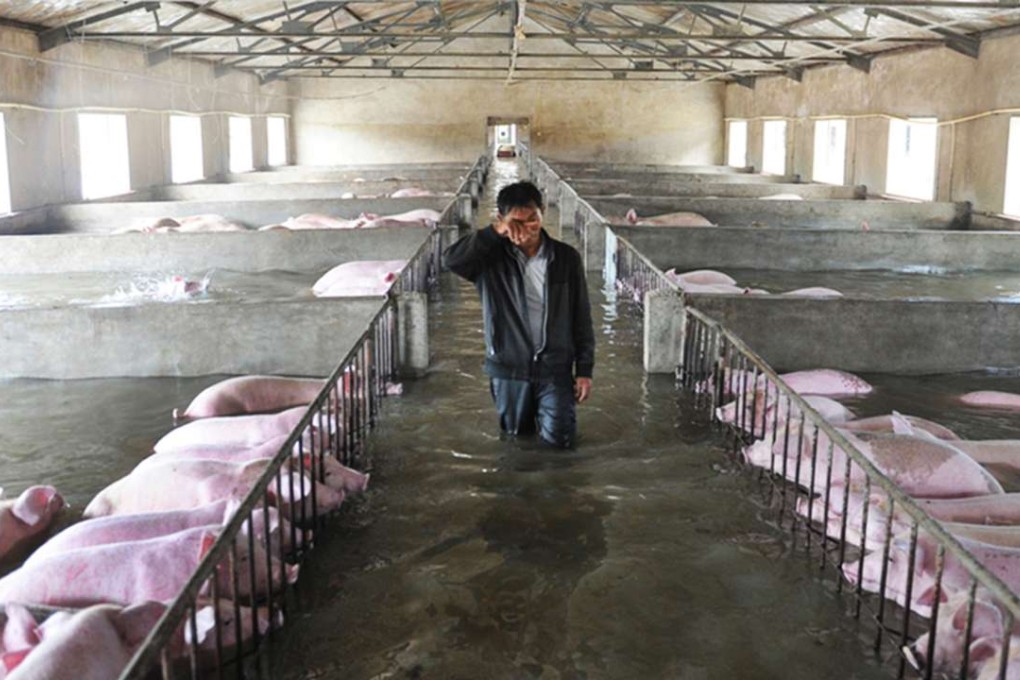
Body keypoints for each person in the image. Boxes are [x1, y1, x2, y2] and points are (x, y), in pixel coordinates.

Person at [443, 181, 595, 449]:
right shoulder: (489, 260)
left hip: (555, 368)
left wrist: (584, 369)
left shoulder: (566, 258)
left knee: (561, 444)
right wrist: (493, 233)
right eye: (517, 222)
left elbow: (581, 316)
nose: (527, 229)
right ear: (501, 220)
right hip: (508, 368)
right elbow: (451, 260)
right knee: (516, 443)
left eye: (533, 219)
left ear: (542, 212)